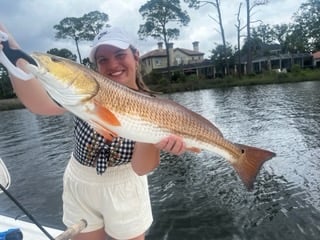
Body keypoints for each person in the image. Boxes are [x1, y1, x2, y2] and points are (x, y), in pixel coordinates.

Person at [0, 23, 187, 240]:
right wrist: (7, 50)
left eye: (119, 54)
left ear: (136, 56)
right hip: (80, 181)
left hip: (125, 186)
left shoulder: (157, 108)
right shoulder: (84, 92)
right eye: (103, 59)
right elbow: (39, 105)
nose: (113, 64)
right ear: (96, 65)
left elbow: (141, 167)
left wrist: (153, 138)